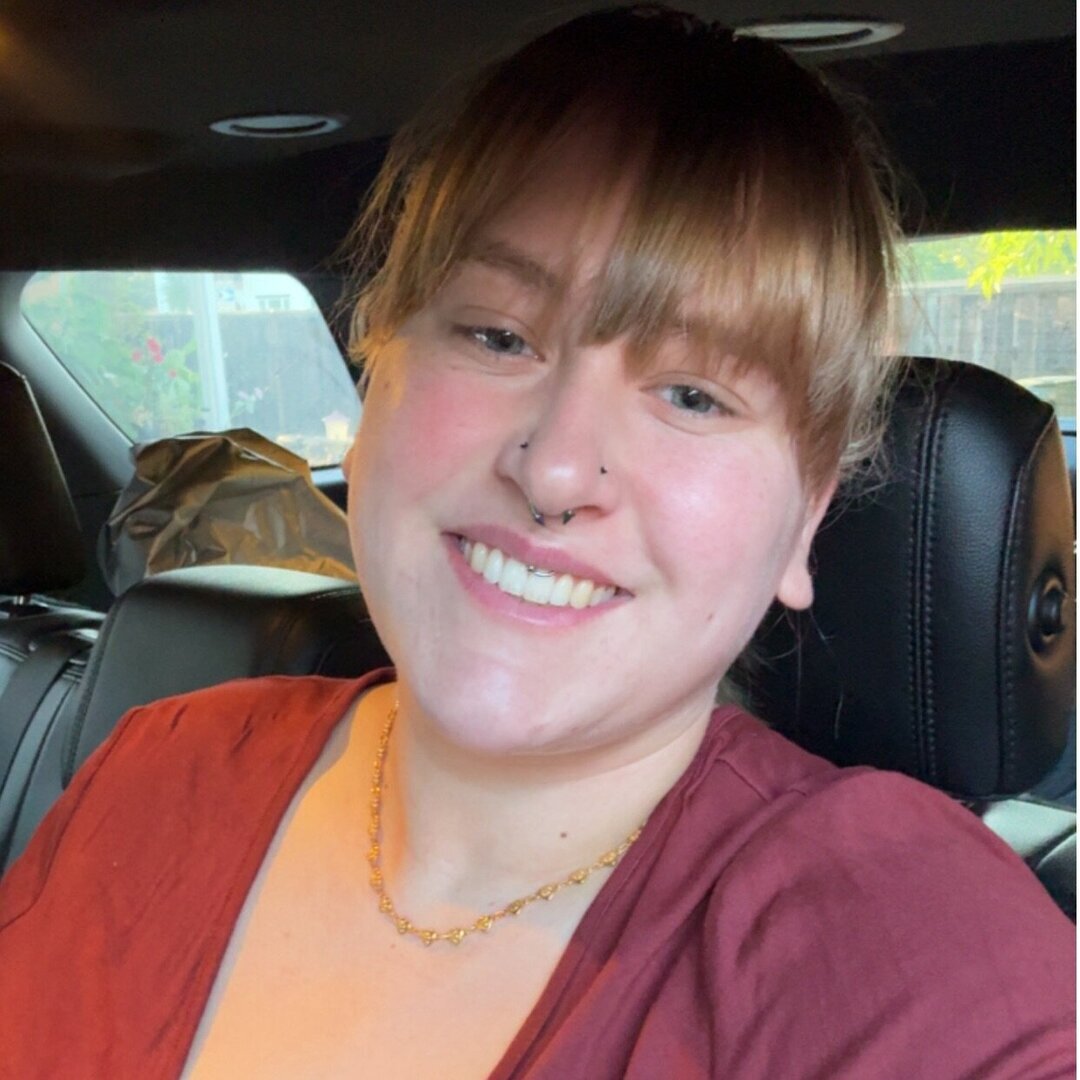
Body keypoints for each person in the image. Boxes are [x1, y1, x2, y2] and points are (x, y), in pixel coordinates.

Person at [0, 6, 1073, 1078]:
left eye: (694, 395)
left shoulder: (917, 957)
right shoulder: (156, 771)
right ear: (378, 373)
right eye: (498, 336)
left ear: (804, 520)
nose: (556, 470)